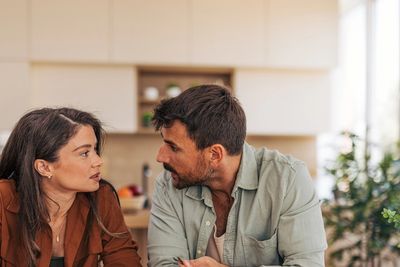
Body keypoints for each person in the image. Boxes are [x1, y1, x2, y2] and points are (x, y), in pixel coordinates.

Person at [147, 85, 327, 267]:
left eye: (173, 147)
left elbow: (307, 264)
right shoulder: (168, 184)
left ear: (215, 154)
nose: (160, 156)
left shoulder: (288, 180)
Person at [0, 107, 142, 267]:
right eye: (84, 153)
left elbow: (124, 259)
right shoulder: (2, 199)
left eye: (94, 150)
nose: (98, 161)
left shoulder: (102, 196)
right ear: (44, 167)